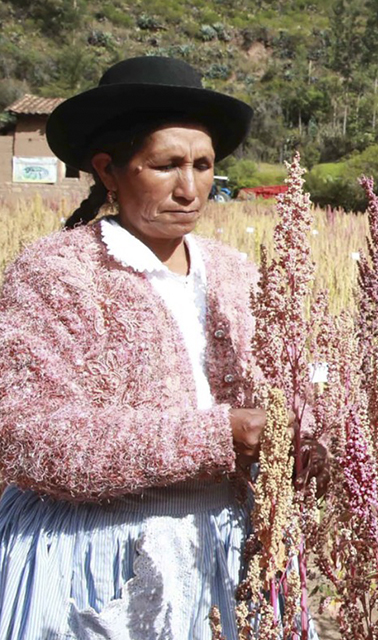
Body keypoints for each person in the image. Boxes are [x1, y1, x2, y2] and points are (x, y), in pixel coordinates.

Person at [0, 56, 325, 639]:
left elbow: (297, 389)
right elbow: (28, 437)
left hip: (228, 552)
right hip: (97, 556)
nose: (189, 186)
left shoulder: (240, 273)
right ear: (109, 170)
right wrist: (219, 435)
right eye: (166, 165)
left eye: (202, 165)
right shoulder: (58, 271)